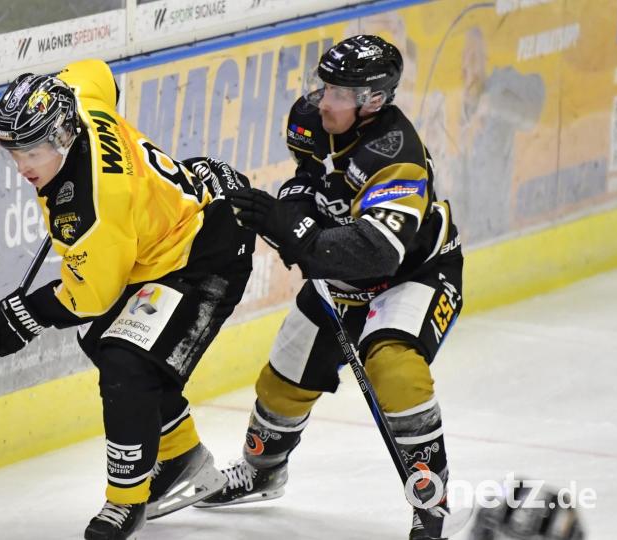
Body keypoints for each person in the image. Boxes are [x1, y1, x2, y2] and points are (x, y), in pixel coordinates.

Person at [194, 35, 464, 540]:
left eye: (341, 93)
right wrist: (291, 216)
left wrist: (296, 233)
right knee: (282, 382)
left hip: (412, 277)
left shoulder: (395, 156)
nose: (326, 100)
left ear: (374, 101)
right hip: (338, 281)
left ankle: (432, 497)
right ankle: (264, 469)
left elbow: (378, 251)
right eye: (327, 86)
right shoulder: (311, 117)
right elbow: (308, 178)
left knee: (395, 369)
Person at [0, 58, 255, 540]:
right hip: (155, 245)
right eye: (15, 152)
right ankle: (182, 456)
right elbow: (95, 70)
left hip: (201, 256)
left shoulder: (88, 209)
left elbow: (90, 295)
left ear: (63, 136)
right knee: (107, 341)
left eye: (34, 151)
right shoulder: (78, 98)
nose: (23, 167)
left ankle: (126, 503)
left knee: (127, 363)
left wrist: (26, 314)